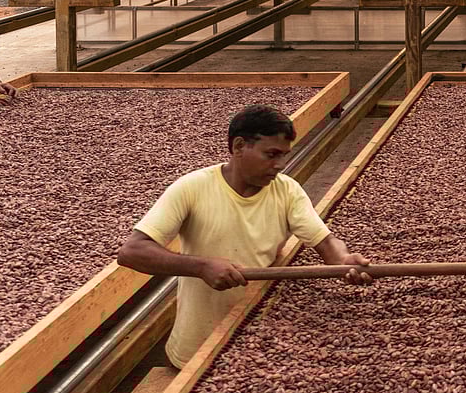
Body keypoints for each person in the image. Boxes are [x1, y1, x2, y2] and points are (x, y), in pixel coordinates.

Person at [118, 104, 373, 368]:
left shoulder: (287, 191)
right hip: (195, 347)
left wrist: (344, 260)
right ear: (239, 146)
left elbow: (325, 242)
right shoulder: (192, 187)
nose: (279, 165)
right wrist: (201, 265)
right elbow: (132, 252)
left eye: (284, 156)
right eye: (271, 154)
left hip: (259, 341)